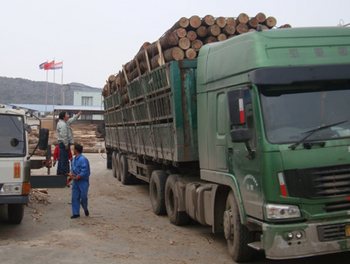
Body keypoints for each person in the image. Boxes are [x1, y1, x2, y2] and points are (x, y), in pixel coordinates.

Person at [56, 111, 82, 175]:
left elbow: (71, 120)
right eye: (66, 115)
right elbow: (64, 135)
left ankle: (60, 170)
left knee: (62, 157)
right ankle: (63, 171)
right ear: (63, 117)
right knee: (64, 158)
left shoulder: (64, 123)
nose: (68, 116)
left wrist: (77, 115)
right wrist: (66, 144)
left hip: (63, 143)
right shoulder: (63, 125)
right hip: (64, 143)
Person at [69, 144, 91, 219]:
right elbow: (72, 169)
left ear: (76, 150)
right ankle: (76, 213)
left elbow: (84, 170)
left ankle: (85, 208)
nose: (73, 151)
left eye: (73, 149)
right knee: (75, 197)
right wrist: (71, 174)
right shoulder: (74, 160)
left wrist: (79, 176)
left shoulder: (83, 159)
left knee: (83, 196)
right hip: (76, 182)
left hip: (83, 181)